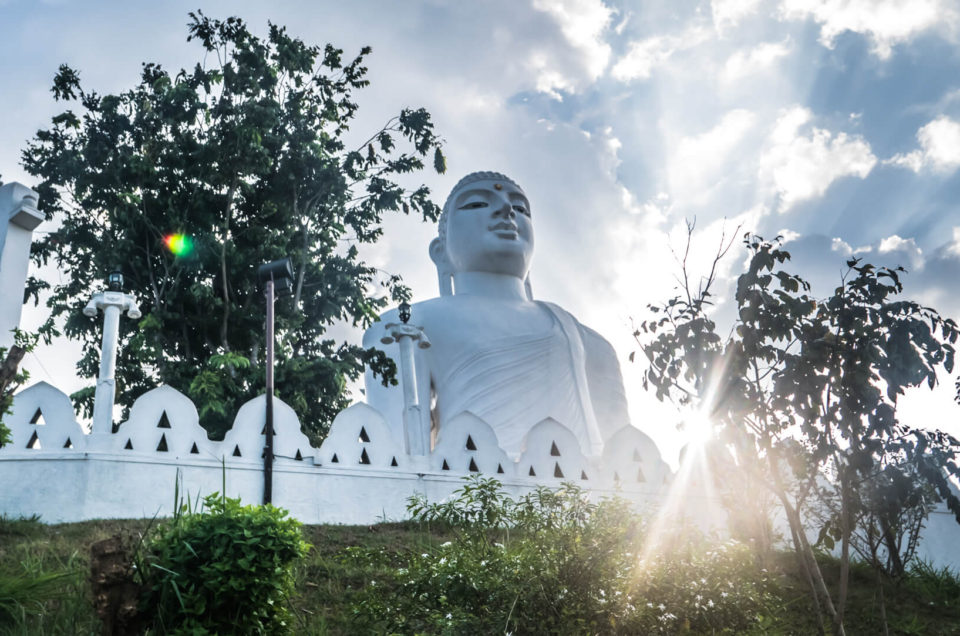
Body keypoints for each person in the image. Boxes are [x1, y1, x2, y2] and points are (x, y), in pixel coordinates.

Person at [363, 171, 631, 458]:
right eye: (477, 203)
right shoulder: (405, 326)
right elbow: (392, 455)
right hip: (465, 489)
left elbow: (627, 458)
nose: (506, 210)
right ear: (440, 251)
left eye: (520, 208)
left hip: (586, 496)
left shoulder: (585, 339)